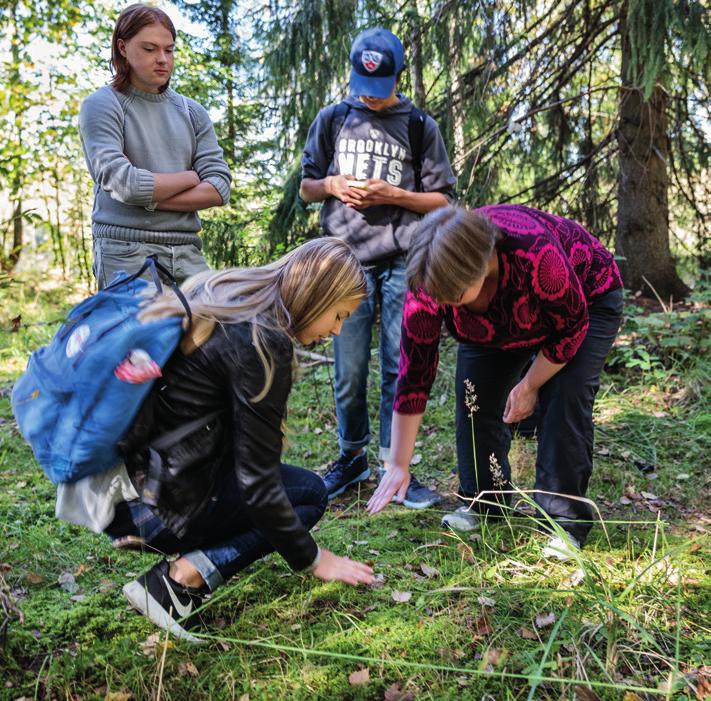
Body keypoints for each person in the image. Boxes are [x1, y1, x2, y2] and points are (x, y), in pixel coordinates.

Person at [55, 238, 375, 641]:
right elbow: (258, 486)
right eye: (339, 314)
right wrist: (314, 559)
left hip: (115, 484)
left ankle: (178, 569)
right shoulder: (263, 340)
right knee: (307, 495)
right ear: (318, 294)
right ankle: (175, 583)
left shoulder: (227, 290)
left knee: (291, 488)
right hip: (149, 504)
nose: (337, 329)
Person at [367, 204, 623, 560]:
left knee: (565, 395)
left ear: (482, 266)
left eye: (451, 298)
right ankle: (486, 502)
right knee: (475, 397)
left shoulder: (533, 253)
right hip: (497, 327)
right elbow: (415, 374)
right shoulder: (431, 278)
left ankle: (562, 522)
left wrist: (529, 385)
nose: (440, 305)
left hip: (585, 304)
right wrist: (398, 463)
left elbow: (570, 329)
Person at [300, 27, 456, 508]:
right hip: (345, 262)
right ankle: (352, 457)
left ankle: (396, 465)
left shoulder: (419, 126)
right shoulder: (332, 119)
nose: (369, 97)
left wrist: (394, 195)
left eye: (380, 87)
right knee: (348, 369)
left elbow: (443, 199)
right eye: (361, 87)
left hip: (402, 259)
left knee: (398, 363)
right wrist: (332, 186)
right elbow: (307, 186)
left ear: (397, 77)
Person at [79, 4, 232, 288]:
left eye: (169, 50)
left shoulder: (192, 112)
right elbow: (125, 184)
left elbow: (219, 187)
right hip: (125, 250)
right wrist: (190, 177)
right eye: (150, 49)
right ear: (122, 47)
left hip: (188, 251)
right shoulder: (102, 105)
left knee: (213, 329)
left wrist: (147, 195)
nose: (162, 59)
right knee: (141, 334)